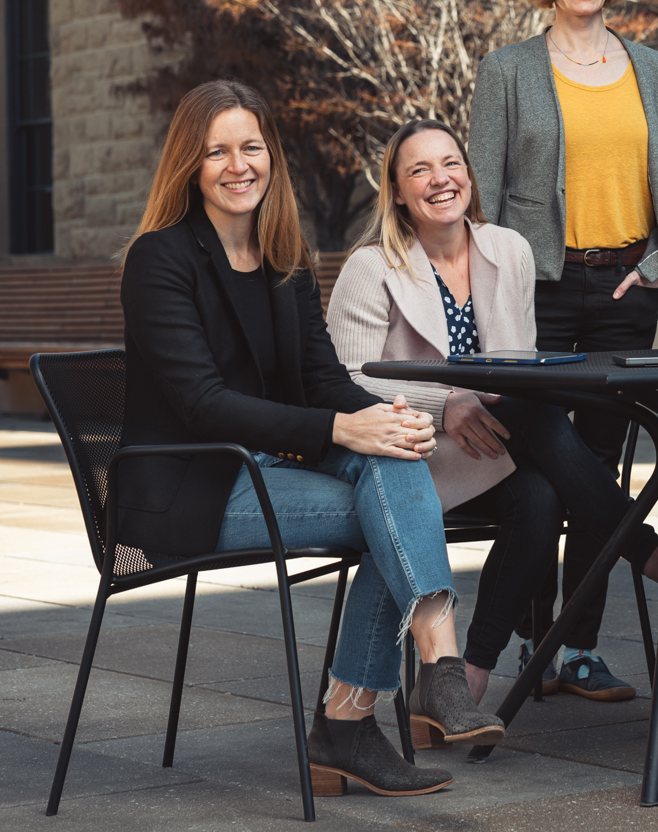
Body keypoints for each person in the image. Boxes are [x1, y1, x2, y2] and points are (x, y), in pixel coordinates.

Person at [119, 80, 506, 798]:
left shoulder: (282, 257)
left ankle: (410, 685)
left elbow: (324, 380)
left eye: (252, 148)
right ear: (190, 165)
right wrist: (340, 428)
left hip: (271, 462)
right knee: (391, 503)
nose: (239, 166)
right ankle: (373, 706)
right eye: (218, 152)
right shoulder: (159, 261)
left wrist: (380, 417)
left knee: (394, 458)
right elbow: (204, 405)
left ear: (272, 157)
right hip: (190, 487)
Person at [327, 118, 658, 708]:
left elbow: (520, 365)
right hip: (407, 461)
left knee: (538, 491)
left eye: (451, 163)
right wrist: (444, 404)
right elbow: (347, 384)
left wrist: (481, 402)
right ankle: (652, 553)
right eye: (419, 171)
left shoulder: (508, 251)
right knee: (534, 415)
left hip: (487, 449)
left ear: (469, 173)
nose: (440, 179)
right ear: (398, 193)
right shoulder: (370, 267)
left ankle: (468, 681)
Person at [469, 0, 658, 696]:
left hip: (624, 288)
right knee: (541, 446)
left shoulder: (656, 71)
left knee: (599, 461)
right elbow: (485, 198)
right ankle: (642, 557)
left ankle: (571, 651)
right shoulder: (507, 70)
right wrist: (495, 285)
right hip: (536, 286)